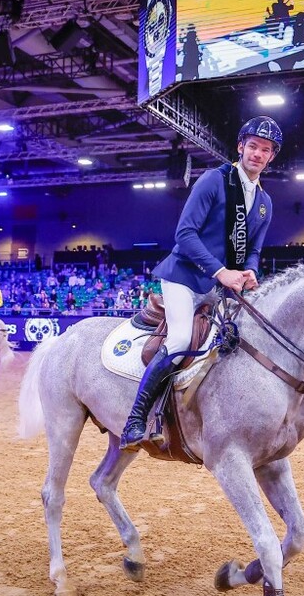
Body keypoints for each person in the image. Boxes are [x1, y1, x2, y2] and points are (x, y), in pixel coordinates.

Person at [119, 116, 281, 451]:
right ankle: (137, 420)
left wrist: (249, 270)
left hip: (222, 285)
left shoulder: (264, 203)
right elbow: (184, 234)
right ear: (240, 147)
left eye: (265, 150)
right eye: (252, 146)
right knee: (180, 340)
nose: (257, 154)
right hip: (184, 276)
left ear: (271, 157)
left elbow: (253, 250)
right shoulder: (214, 180)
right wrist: (221, 271)